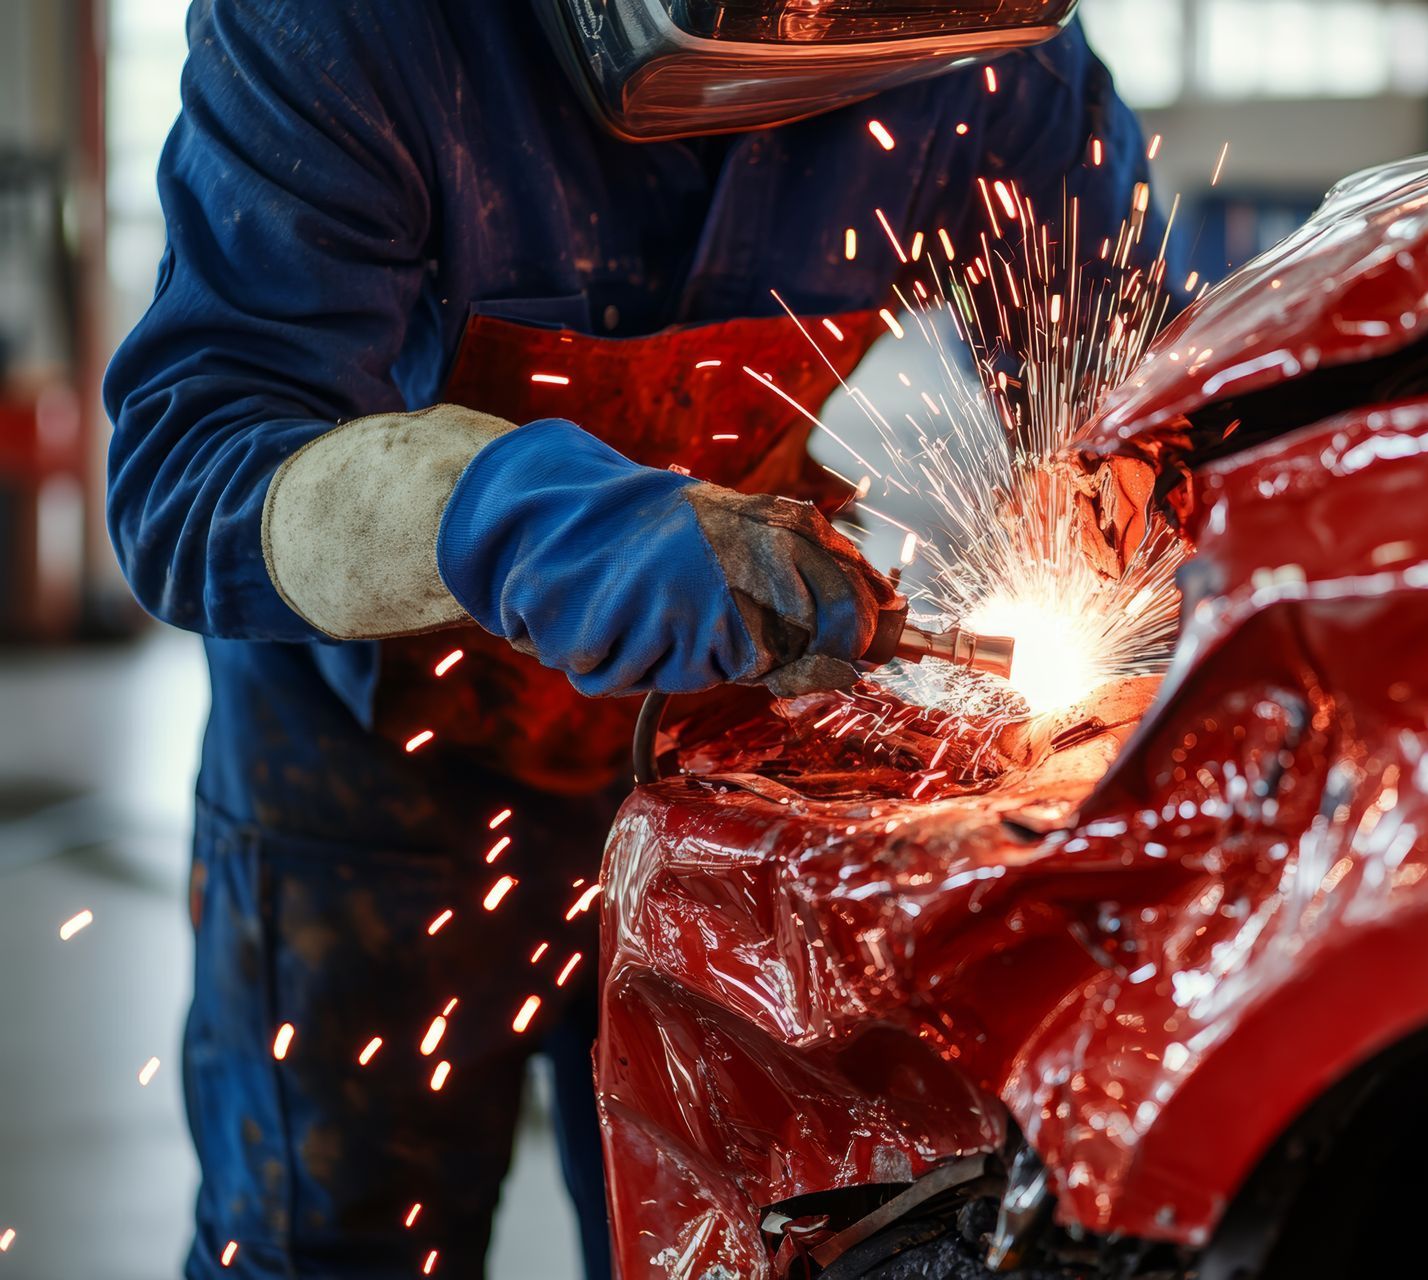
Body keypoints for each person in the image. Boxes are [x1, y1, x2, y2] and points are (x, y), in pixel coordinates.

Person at [104, 0, 1156, 1275]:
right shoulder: (351, 28)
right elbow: (188, 467)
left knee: (724, 1240)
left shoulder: (991, 38)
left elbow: (1123, 373)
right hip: (371, 784)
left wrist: (1121, 495)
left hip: (725, 768)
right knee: (333, 1246)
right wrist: (497, 515)